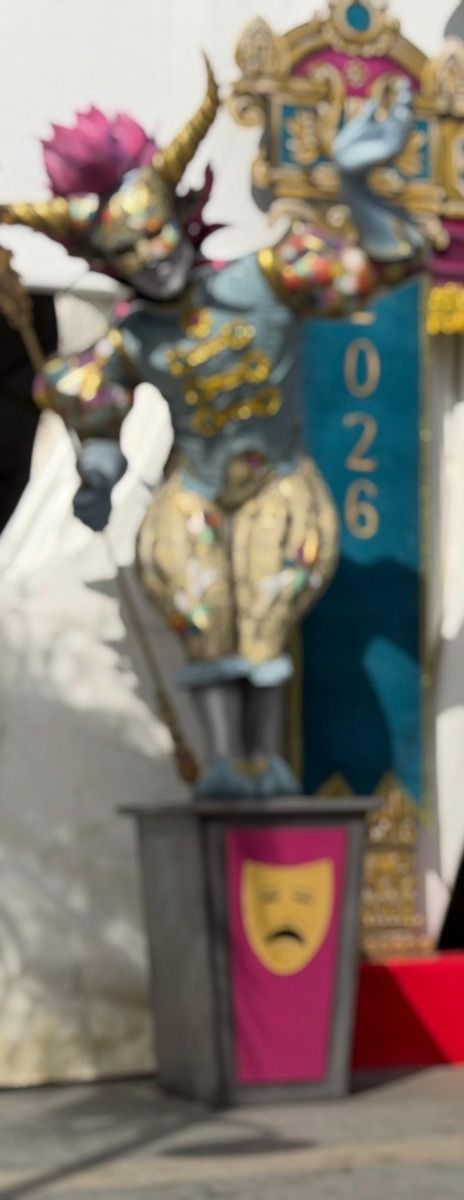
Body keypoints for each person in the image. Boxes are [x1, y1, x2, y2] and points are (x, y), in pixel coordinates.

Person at [2, 60, 431, 796]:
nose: (151, 260)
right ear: (105, 263)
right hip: (194, 487)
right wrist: (97, 474)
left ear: (178, 218)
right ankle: (227, 761)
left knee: (263, 606)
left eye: (153, 238)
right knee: (202, 607)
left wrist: (361, 187)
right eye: (127, 253)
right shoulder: (137, 338)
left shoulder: (263, 280)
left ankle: (262, 758)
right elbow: (99, 415)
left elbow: (386, 266)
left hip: (276, 481)